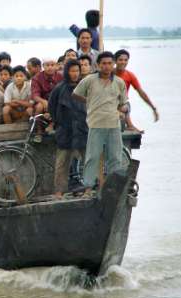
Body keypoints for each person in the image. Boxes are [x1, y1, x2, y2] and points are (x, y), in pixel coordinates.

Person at [73, 51, 129, 197]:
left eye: (110, 63)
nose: (107, 66)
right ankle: (88, 188)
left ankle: (113, 188)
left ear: (113, 64)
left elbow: (124, 103)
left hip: (113, 124)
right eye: (103, 63)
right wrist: (90, 102)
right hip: (95, 123)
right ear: (98, 65)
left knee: (115, 157)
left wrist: (123, 109)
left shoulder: (119, 82)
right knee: (92, 156)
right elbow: (76, 94)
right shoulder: (89, 80)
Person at [49, 60, 88, 199]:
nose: (75, 73)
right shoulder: (59, 89)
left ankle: (89, 188)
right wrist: (59, 123)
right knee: (62, 163)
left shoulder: (85, 86)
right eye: (72, 71)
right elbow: (51, 107)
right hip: (65, 131)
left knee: (88, 160)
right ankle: (59, 191)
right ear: (67, 72)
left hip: (82, 129)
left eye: (77, 70)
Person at [114, 49, 159, 132]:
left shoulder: (130, 75)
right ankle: (130, 125)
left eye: (125, 60)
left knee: (124, 107)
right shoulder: (109, 73)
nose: (123, 62)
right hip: (107, 103)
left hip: (122, 103)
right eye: (120, 60)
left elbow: (141, 93)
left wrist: (153, 108)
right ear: (115, 61)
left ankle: (130, 125)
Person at [29, 57, 63, 142]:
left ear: (56, 66)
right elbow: (35, 95)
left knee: (62, 103)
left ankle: (52, 125)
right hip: (42, 103)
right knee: (39, 106)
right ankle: (39, 132)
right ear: (43, 66)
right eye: (47, 65)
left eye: (52, 65)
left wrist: (52, 103)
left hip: (56, 102)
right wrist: (44, 101)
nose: (50, 67)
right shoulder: (36, 78)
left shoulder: (61, 76)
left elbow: (63, 93)